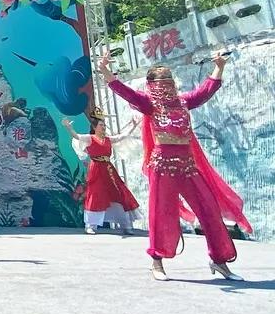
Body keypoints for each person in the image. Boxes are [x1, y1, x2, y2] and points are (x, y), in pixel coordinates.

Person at [99, 51, 250, 281]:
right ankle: (156, 262)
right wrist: (104, 70)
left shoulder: (184, 102)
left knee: (209, 210)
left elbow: (206, 91)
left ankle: (219, 260)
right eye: (161, 83)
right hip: (162, 166)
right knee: (162, 214)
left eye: (169, 81)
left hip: (187, 166)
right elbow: (124, 91)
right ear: (151, 85)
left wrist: (219, 66)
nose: (166, 87)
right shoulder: (148, 104)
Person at [61, 110, 140, 235]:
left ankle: (125, 225)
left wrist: (133, 126)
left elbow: (122, 136)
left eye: (104, 125)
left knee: (118, 193)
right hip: (96, 169)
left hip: (109, 170)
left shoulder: (108, 139)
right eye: (101, 125)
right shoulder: (90, 139)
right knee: (95, 194)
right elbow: (77, 136)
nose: (103, 127)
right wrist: (69, 127)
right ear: (95, 127)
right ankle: (91, 225)